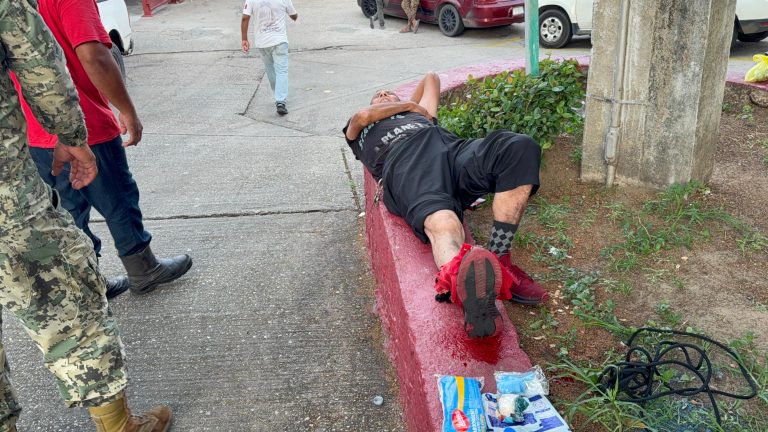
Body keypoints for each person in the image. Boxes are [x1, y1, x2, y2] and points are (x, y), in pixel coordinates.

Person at [0, 1, 171, 430]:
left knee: (74, 211)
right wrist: (74, 133)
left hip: (33, 144)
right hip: (15, 183)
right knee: (67, 302)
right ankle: (119, 425)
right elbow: (64, 62)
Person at [343, 72, 549, 339]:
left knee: (517, 148)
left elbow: (431, 78)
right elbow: (362, 117)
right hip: (407, 164)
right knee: (444, 223)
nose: (383, 95)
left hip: (451, 151)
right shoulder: (359, 130)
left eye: (388, 93)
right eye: (378, 96)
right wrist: (407, 105)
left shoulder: (419, 113)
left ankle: (500, 258)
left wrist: (412, 105)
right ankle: (473, 300)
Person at [12, 0, 193, 300]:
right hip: (83, 127)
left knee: (68, 212)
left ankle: (88, 283)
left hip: (34, 130)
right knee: (118, 200)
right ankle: (143, 269)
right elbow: (94, 56)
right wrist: (127, 111)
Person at [241, 0, 298, 115]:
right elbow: (294, 15)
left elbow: (245, 18)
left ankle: (278, 96)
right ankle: (280, 100)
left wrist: (244, 39)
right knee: (281, 71)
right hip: (280, 41)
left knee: (270, 70)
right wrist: (294, 16)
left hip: (262, 42)